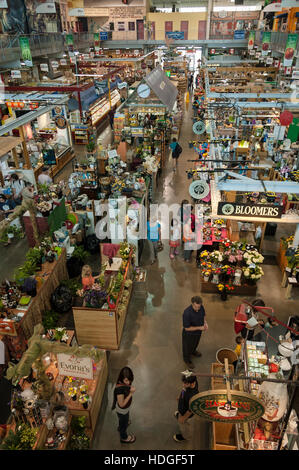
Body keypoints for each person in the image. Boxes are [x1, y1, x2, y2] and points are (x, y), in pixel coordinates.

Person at [182, 296, 208, 369]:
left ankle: (193, 351)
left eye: (199, 307)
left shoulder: (201, 307)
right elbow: (186, 328)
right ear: (192, 304)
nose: (198, 309)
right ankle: (187, 360)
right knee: (187, 348)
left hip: (198, 332)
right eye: (196, 307)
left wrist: (205, 323)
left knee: (195, 343)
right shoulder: (187, 313)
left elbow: (204, 315)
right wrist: (200, 328)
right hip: (189, 334)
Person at [111, 366, 136, 444]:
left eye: (130, 380)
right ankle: (124, 438)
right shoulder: (119, 390)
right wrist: (131, 394)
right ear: (121, 378)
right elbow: (121, 404)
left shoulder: (123, 384)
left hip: (125, 410)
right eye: (126, 380)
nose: (128, 382)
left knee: (124, 420)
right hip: (122, 410)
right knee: (123, 425)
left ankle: (122, 424)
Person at [173, 373, 199, 443]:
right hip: (183, 406)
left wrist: (183, 418)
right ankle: (179, 414)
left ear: (193, 383)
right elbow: (184, 389)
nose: (183, 385)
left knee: (185, 426)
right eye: (183, 383)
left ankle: (185, 436)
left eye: (186, 383)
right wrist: (180, 396)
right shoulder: (193, 381)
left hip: (187, 415)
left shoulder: (193, 396)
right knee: (180, 415)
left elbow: (190, 410)